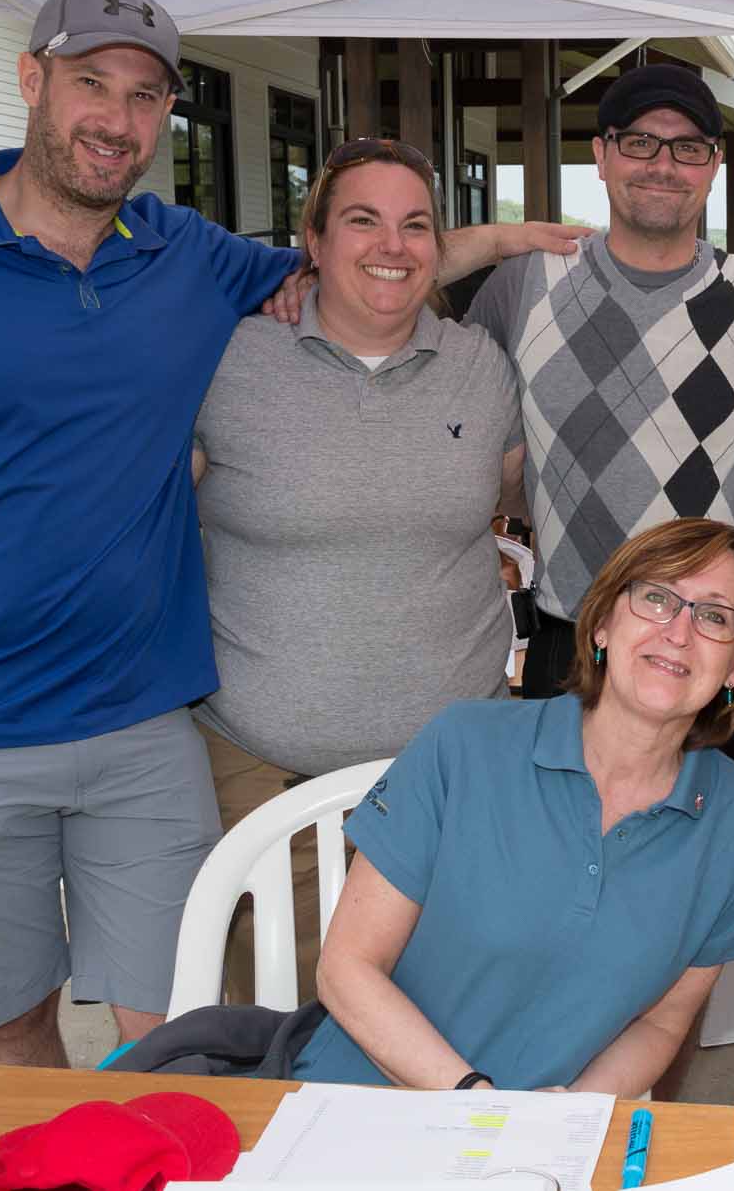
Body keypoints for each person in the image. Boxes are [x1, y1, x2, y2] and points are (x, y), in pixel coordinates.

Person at [0, 0, 577, 1067]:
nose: (117, 117)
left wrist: (502, 239)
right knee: (8, 1028)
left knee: (179, 1029)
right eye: (90, 84)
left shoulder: (185, 257)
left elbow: (365, 265)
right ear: (30, 81)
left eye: (146, 95)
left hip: (147, 722)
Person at [191, 138, 524, 1002]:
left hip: (456, 789)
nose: (393, 244)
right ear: (312, 239)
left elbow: (527, 494)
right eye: (363, 220)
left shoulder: (483, 368)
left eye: (416, 225)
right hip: (271, 784)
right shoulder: (225, 363)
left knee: (460, 1035)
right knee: (290, 1043)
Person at [290, 519, 734, 1092]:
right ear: (602, 624)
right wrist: (481, 1107)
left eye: (715, 616)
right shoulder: (464, 745)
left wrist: (571, 1114)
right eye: (656, 597)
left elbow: (662, 1020)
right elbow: (347, 968)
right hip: (359, 1109)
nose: (679, 631)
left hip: (546, 1148)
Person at [465, 63, 734, 699]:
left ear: (714, 164)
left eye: (688, 147)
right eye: (640, 141)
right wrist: (493, 238)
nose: (662, 164)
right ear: (601, 155)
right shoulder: (524, 286)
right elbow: (396, 323)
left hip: (703, 645)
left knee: (707, 805)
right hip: (569, 634)